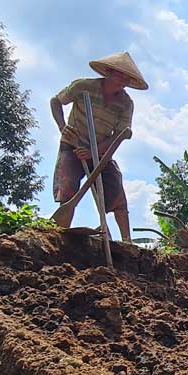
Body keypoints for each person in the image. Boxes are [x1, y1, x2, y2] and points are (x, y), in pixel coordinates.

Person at [49, 52, 145, 240]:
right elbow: (56, 101)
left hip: (101, 149)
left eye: (127, 77)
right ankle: (57, 238)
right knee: (68, 192)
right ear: (108, 72)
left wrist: (96, 152)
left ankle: (127, 242)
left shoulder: (126, 103)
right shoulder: (83, 86)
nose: (123, 80)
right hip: (73, 144)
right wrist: (62, 127)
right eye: (120, 74)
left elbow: (120, 135)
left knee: (116, 189)